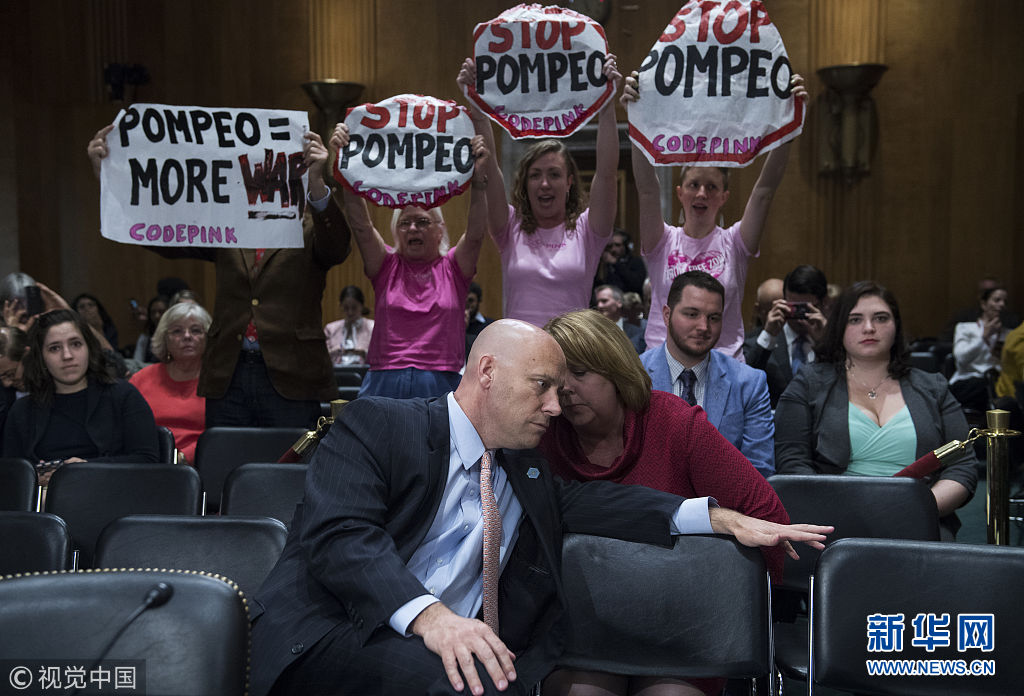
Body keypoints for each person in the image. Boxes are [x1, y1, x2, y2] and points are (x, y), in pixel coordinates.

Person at [249, 319, 831, 696]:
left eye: (562, 387)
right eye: (542, 386)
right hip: (342, 629)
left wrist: (717, 517)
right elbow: (341, 537)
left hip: (463, 649)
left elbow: (601, 500)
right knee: (469, 683)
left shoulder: (523, 468)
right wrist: (434, 619)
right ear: (487, 372)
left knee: (493, 678)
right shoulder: (379, 423)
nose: (557, 406)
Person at [88, 124, 352, 428]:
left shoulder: (310, 227)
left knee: (292, 458)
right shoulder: (227, 224)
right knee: (225, 454)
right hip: (227, 374)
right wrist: (108, 177)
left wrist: (317, 183)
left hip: (294, 374)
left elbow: (338, 248)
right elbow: (164, 236)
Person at [621, 73, 807, 360]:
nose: (702, 194)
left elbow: (764, 190)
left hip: (724, 365)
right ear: (680, 193)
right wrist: (635, 118)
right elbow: (647, 189)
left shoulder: (735, 242)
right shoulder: (662, 241)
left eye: (711, 187)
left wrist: (789, 125)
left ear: (724, 197)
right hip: (662, 365)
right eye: (694, 185)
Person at [774, 281, 978, 539]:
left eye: (881, 318)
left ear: (896, 325)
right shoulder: (807, 384)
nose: (869, 328)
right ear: (839, 327)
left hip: (921, 519)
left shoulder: (933, 387)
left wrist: (918, 508)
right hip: (834, 525)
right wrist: (845, 514)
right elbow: (792, 463)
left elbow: (962, 464)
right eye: (855, 319)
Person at [457, 55, 622, 328]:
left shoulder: (589, 231)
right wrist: (475, 102)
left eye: (554, 174)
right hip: (519, 349)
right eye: (535, 175)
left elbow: (606, 172)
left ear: (569, 182)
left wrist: (607, 103)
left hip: (572, 350)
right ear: (525, 183)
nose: (544, 184)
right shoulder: (509, 227)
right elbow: (490, 166)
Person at [330, 125, 488, 399]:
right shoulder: (386, 265)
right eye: (405, 223)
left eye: (422, 221)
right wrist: (346, 167)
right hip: (385, 380)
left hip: (441, 381)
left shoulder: (453, 268)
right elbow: (361, 226)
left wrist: (479, 182)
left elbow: (475, 235)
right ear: (396, 231)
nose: (413, 228)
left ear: (440, 230)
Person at [640, 272, 774, 477]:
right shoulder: (633, 376)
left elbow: (759, 471)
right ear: (667, 315)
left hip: (726, 496)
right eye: (692, 314)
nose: (704, 327)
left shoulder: (749, 383)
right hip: (649, 495)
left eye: (713, 318)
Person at [2, 309, 159, 482]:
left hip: (114, 492)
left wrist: (86, 468)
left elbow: (148, 460)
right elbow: (10, 475)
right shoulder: (22, 410)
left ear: (89, 348)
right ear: (41, 357)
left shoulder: (124, 396)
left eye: (76, 344)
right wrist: (33, 478)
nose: (67, 356)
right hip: (45, 496)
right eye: (54, 348)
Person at [129, 302, 211, 464]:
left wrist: (183, 458)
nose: (187, 336)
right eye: (177, 331)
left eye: (196, 330)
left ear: (208, 337)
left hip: (204, 465)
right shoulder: (140, 380)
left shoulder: (219, 381)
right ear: (165, 338)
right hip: (149, 464)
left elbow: (223, 435)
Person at [743, 264, 829, 408]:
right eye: (794, 307)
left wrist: (825, 343)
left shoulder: (835, 341)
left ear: (823, 303)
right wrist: (768, 335)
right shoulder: (759, 340)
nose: (799, 317)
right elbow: (743, 382)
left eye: (805, 309)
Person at [949, 285, 1010, 413]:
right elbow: (961, 360)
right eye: (997, 300)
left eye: (1005, 301)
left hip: (998, 383)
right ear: (984, 304)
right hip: (969, 382)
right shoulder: (965, 328)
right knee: (984, 386)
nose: (1002, 305)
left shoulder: (1009, 334)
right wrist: (984, 337)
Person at [323, 285, 374, 367]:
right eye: (346, 308)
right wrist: (333, 352)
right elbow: (321, 357)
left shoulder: (372, 327)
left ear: (362, 306)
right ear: (340, 306)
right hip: (336, 372)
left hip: (365, 372)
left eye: (354, 308)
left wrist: (364, 352)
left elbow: (380, 356)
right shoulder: (330, 329)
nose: (350, 312)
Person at [593, 228, 648, 297]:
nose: (613, 249)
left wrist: (616, 263)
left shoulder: (635, 261)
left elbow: (636, 284)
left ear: (626, 246)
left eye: (617, 245)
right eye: (610, 246)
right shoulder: (604, 264)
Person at [594, 285, 645, 353]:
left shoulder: (636, 331)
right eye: (597, 302)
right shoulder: (593, 331)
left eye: (604, 301)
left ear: (619, 303)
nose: (599, 306)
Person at [131, 295, 168, 364]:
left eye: (161, 312)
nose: (156, 316)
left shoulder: (175, 336)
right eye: (153, 312)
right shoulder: (145, 337)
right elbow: (137, 362)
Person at [465, 282, 494, 358]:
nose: (466, 304)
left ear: (478, 301)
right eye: (463, 300)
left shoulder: (489, 326)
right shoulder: (453, 327)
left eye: (471, 300)